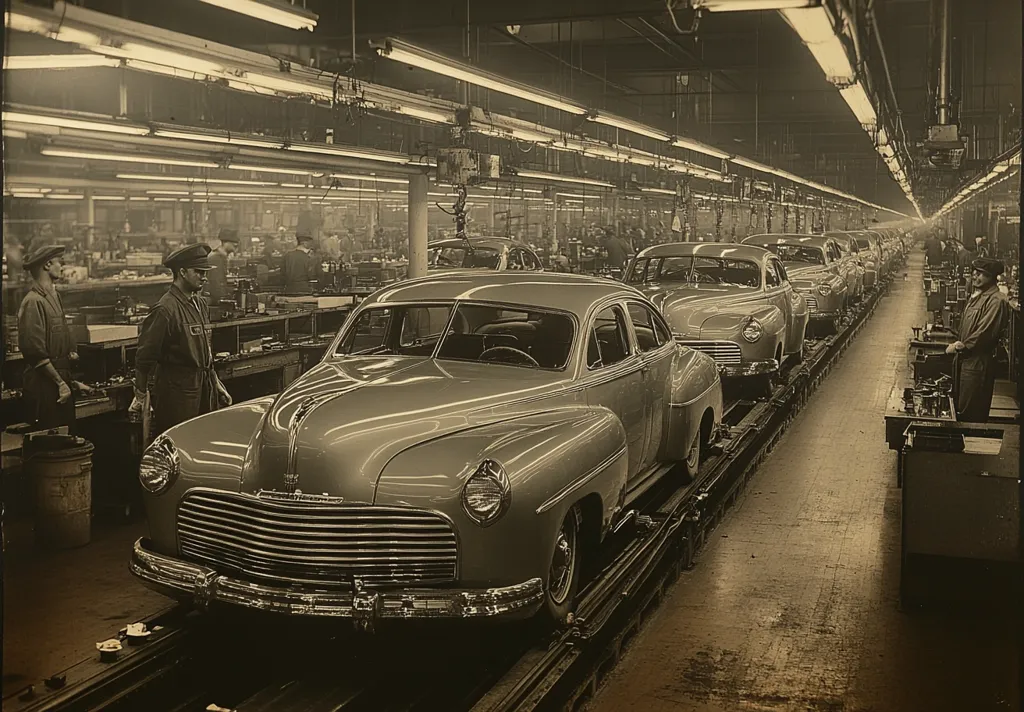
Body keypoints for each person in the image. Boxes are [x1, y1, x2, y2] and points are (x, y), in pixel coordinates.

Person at [130, 244, 232, 437]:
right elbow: (144, 358)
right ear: (183, 272)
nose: (204, 276)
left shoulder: (200, 304)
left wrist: (215, 384)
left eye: (205, 272)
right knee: (180, 445)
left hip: (203, 388)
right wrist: (141, 396)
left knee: (202, 443)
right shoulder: (165, 309)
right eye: (199, 272)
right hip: (177, 395)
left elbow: (205, 352)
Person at [17, 245, 92, 432]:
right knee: (50, 443)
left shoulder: (54, 296)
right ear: (48, 265)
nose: (63, 266)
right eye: (60, 262)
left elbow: (60, 344)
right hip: (44, 387)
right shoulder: (33, 301)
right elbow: (35, 353)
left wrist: (71, 383)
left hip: (59, 383)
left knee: (66, 440)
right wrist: (60, 383)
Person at [945, 257, 1011, 422]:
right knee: (960, 407)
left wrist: (961, 345)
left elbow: (985, 332)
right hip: (966, 359)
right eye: (974, 272)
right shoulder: (979, 296)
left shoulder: (997, 300)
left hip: (978, 361)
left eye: (981, 274)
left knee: (971, 410)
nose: (975, 276)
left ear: (992, 277)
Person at [204, 228, 239, 305]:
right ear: (225, 243)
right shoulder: (216, 258)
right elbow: (216, 284)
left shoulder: (220, 257)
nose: (235, 246)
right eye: (233, 244)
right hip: (213, 301)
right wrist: (225, 299)